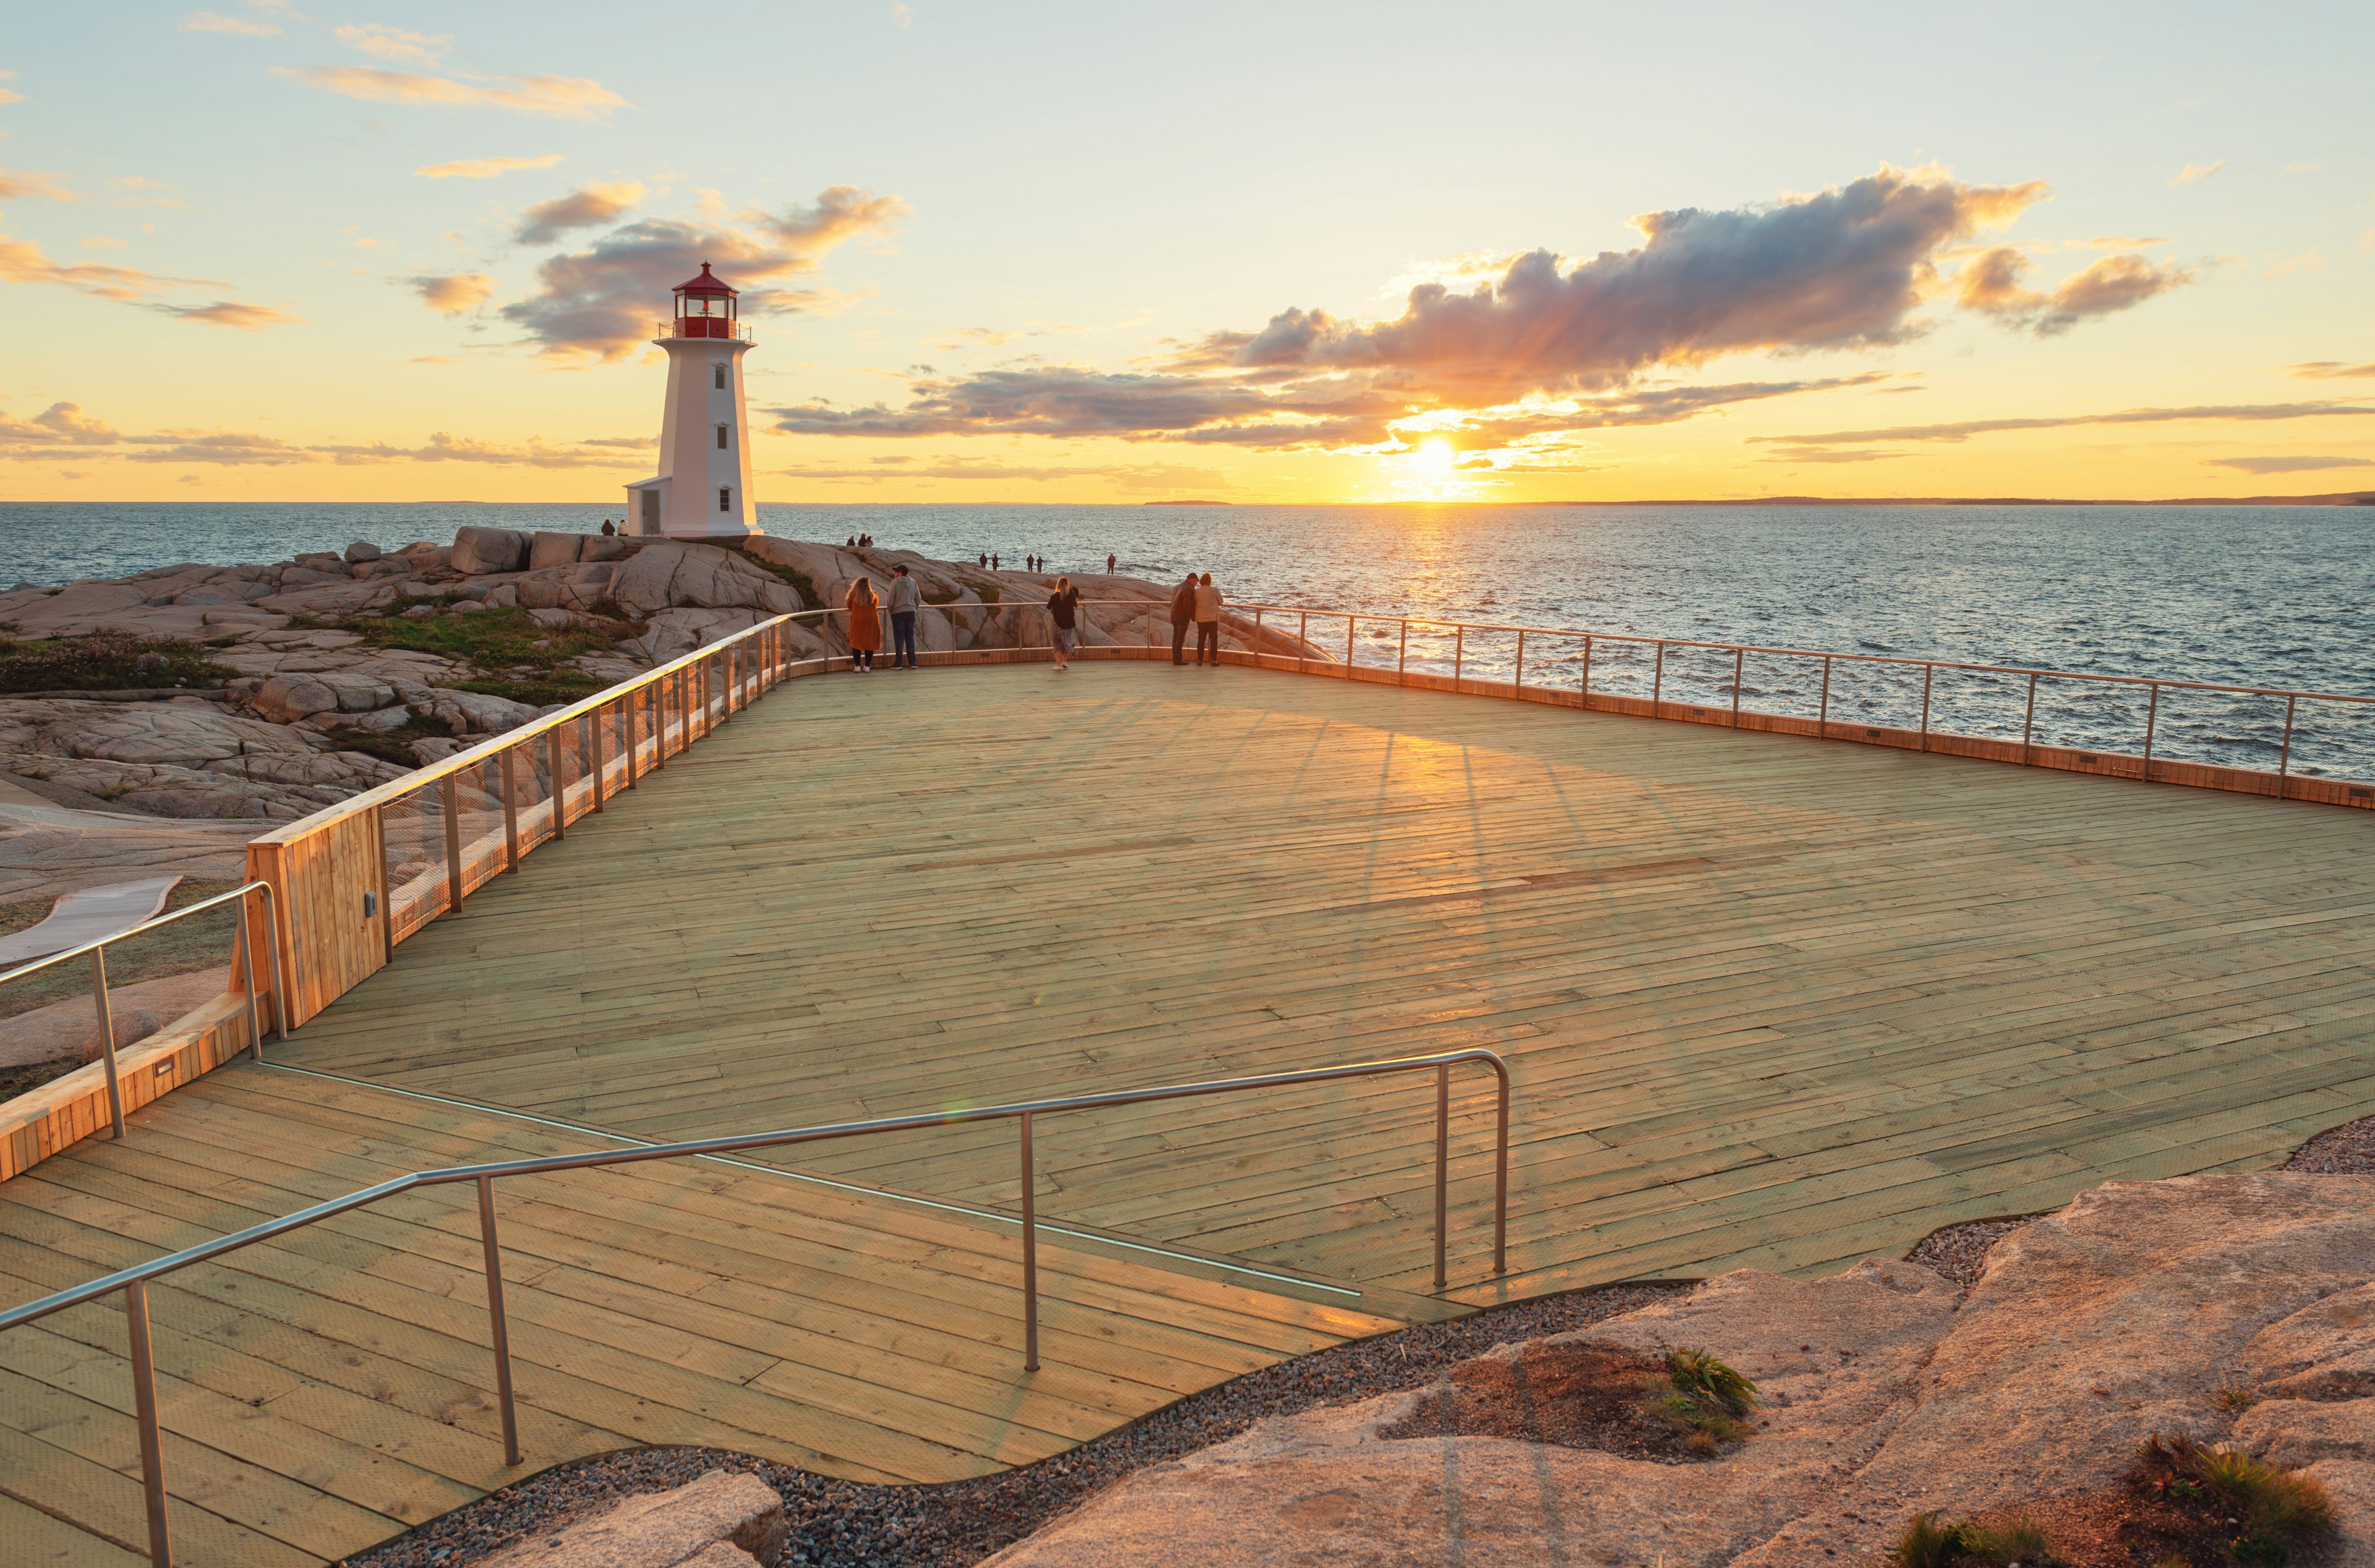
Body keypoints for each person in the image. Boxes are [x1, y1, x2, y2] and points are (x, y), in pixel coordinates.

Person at [886, 563, 920, 670]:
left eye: (896, 571)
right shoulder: (913, 582)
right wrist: (914, 608)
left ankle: (899, 663)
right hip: (911, 613)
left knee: (899, 638)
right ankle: (913, 663)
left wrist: (892, 611)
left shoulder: (895, 582)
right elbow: (918, 598)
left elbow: (890, 599)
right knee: (910, 638)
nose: (894, 573)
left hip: (898, 613)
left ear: (900, 573)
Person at [845, 577, 882, 672]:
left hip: (857, 620)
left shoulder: (853, 594)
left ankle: (857, 666)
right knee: (870, 643)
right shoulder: (873, 594)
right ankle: (867, 667)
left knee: (856, 643)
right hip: (871, 621)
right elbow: (876, 605)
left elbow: (848, 605)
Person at [1047, 574, 1081, 672]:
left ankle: (1058, 666)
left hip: (1057, 623)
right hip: (1069, 623)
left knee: (1057, 642)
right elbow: (1076, 605)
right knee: (1067, 640)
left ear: (1059, 585)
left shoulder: (1055, 596)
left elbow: (1049, 607)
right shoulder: (1072, 595)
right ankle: (1064, 662)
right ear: (1068, 585)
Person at [1168, 568, 1197, 666]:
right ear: (1193, 579)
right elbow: (1187, 604)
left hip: (1174, 615)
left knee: (1175, 637)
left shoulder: (1178, 586)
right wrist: (1192, 616)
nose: (1196, 584)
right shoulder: (1188, 588)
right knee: (1180, 638)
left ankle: (1175, 658)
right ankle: (1178, 660)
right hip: (1182, 617)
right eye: (1197, 582)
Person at [1193, 572, 1222, 667]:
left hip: (1201, 619)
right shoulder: (1215, 590)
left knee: (1201, 640)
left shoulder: (1197, 592)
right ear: (1210, 581)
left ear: (1201, 581)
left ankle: (1200, 660)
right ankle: (1214, 660)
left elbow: (1194, 603)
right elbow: (1221, 602)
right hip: (1212, 619)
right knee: (1214, 640)